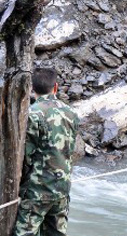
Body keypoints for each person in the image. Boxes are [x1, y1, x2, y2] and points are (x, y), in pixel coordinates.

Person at [14, 68, 79, 236]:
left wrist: (20, 188)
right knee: (57, 233)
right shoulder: (71, 113)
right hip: (63, 186)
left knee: (25, 232)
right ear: (55, 87)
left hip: (38, 188)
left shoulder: (32, 114)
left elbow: (26, 156)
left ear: (31, 88)